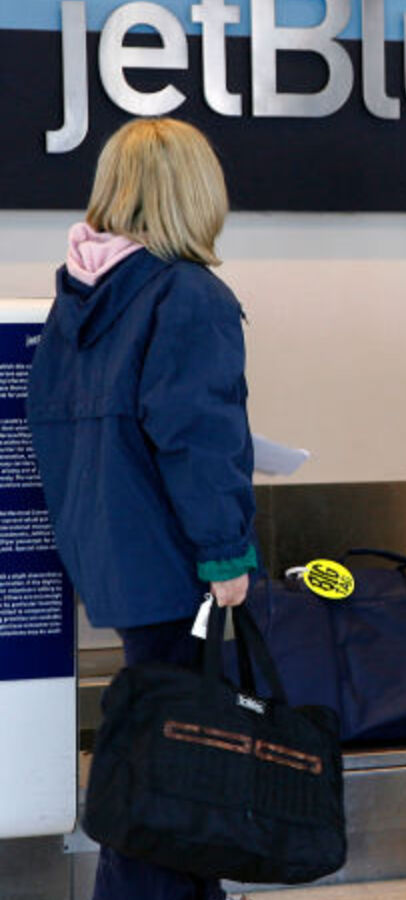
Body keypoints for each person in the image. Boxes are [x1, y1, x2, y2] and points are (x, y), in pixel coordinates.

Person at [27, 117, 256, 900]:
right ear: (195, 193)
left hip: (109, 556)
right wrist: (225, 551)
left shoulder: (79, 299)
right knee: (170, 767)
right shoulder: (187, 295)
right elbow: (197, 436)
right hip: (173, 561)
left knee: (158, 751)